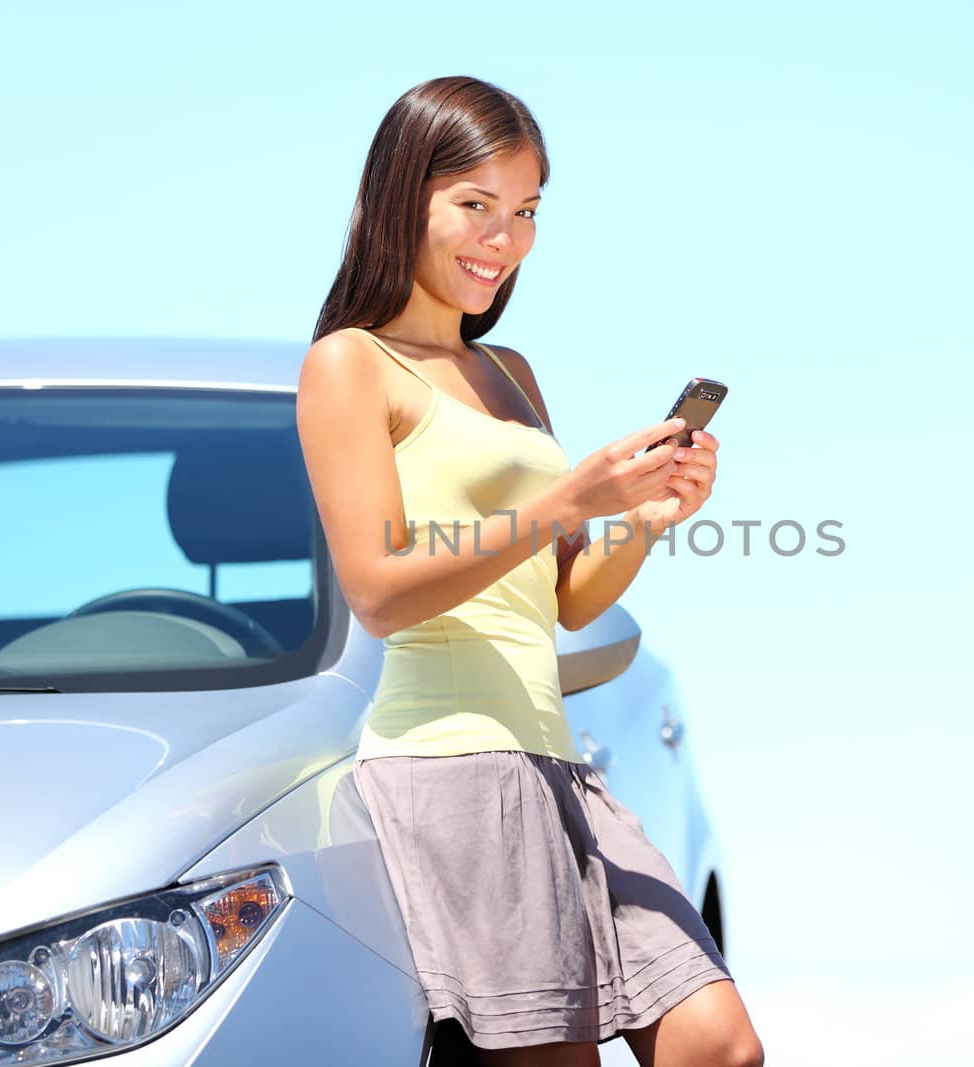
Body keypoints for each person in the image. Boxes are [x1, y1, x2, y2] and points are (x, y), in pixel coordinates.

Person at [296, 75, 764, 1067]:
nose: (502, 239)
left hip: (556, 761)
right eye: (475, 206)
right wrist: (559, 502)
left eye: (525, 212)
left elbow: (563, 597)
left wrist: (641, 515)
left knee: (717, 1041)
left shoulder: (509, 371)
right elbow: (377, 588)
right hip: (451, 769)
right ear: (400, 199)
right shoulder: (351, 365)